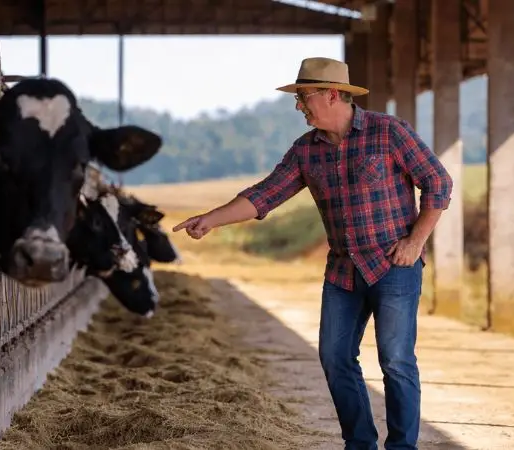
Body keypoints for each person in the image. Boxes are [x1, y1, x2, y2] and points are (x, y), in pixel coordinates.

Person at [172, 57, 453, 449]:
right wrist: (212, 219)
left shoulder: (388, 133)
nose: (298, 106)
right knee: (335, 358)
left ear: (332, 94)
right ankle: (359, 444)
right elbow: (264, 194)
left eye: (304, 97)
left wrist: (415, 241)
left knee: (395, 361)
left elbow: (437, 182)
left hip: (394, 266)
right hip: (342, 271)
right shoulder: (306, 151)